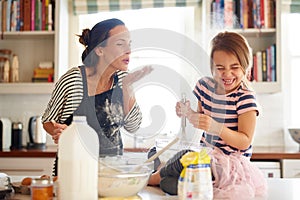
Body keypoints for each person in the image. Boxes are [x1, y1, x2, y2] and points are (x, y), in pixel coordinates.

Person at [148, 31, 267, 199]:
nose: (227, 74)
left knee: (184, 156)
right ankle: (162, 175)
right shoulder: (205, 87)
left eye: (234, 67)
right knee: (157, 155)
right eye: (220, 68)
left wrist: (217, 128)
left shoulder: (245, 98)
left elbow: (244, 141)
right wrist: (187, 113)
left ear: (246, 67)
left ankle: (151, 177)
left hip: (229, 165)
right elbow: (200, 118)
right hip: (205, 156)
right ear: (211, 68)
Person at [42, 18, 152, 176]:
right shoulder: (74, 80)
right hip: (74, 170)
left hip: (111, 172)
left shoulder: (122, 79)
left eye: (129, 44)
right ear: (100, 50)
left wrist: (128, 89)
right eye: (120, 44)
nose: (128, 50)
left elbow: (133, 127)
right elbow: (48, 120)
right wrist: (65, 134)